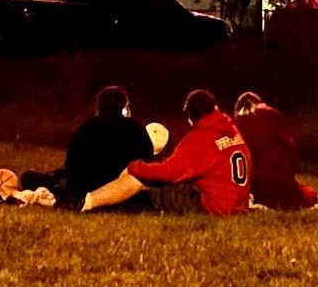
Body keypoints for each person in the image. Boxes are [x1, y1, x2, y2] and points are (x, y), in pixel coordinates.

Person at [80, 88, 252, 216]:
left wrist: (136, 167)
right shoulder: (231, 129)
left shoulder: (201, 138)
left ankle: (87, 202)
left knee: (139, 178)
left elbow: (168, 172)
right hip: (235, 205)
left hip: (213, 207)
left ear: (190, 116)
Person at [231, 91, 318, 211]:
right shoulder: (271, 114)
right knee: (307, 197)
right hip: (279, 179)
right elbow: (290, 147)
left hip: (253, 185)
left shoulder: (236, 124)